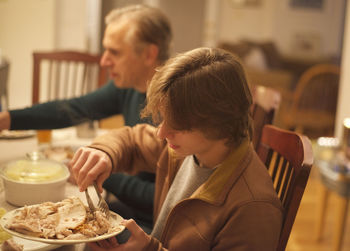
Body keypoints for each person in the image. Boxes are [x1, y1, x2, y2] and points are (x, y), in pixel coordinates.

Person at [70, 47, 283, 250]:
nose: (162, 133)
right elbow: (133, 140)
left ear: (220, 123)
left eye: (178, 126)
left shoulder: (253, 208)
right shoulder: (193, 148)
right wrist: (104, 152)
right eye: (163, 119)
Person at [0, 4, 172, 230]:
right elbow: (74, 108)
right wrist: (7, 119)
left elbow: (166, 200)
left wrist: (100, 173)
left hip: (155, 227)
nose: (103, 61)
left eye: (115, 52)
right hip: (129, 209)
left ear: (149, 54)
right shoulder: (130, 86)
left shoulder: (176, 105)